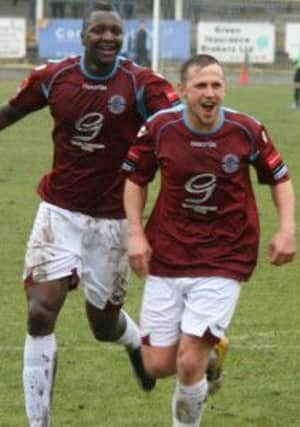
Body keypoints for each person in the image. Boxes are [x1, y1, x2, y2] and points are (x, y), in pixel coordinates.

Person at [0, 3, 182, 426]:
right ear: (81, 35)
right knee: (40, 311)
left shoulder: (141, 83)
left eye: (115, 32)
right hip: (59, 211)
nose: (108, 38)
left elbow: (175, 125)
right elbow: (12, 111)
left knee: (102, 324)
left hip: (114, 221)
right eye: (98, 30)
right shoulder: (54, 77)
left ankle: (135, 342)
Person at [123, 54, 296, 426]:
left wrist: (286, 228)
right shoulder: (160, 128)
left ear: (225, 89)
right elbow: (135, 180)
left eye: (216, 85)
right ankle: (215, 352)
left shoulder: (246, 129)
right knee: (155, 365)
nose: (210, 93)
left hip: (225, 256)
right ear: (182, 90)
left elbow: (279, 177)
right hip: (167, 253)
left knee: (188, 362)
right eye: (200, 85)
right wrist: (135, 235)